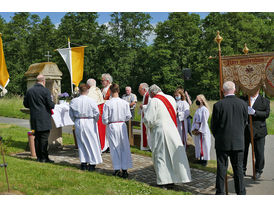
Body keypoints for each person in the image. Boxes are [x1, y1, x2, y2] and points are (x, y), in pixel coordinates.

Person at [143, 84, 191, 187]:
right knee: (172, 155)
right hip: (172, 129)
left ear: (152, 93)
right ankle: (173, 179)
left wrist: (146, 122)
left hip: (160, 130)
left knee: (161, 155)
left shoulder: (154, 100)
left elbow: (149, 119)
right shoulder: (171, 98)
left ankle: (164, 181)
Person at [211, 81, 248, 195]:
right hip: (238, 141)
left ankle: (220, 193)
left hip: (223, 141)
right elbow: (245, 122)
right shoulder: (243, 104)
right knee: (238, 169)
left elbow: (214, 125)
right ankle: (241, 192)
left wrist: (219, 135)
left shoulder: (218, 105)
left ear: (223, 91)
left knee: (222, 168)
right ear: (235, 90)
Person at [69, 84, 102, 171]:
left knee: (81, 142)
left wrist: (76, 120)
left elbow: (71, 114)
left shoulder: (74, 101)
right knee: (92, 142)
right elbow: (96, 113)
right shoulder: (91, 101)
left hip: (79, 121)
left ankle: (83, 162)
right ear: (87, 91)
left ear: (79, 91)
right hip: (89, 121)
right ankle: (92, 163)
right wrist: (94, 120)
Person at [102, 83, 133, 178]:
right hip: (122, 125)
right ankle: (124, 169)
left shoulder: (108, 103)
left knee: (114, 147)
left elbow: (105, 118)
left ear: (110, 91)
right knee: (124, 146)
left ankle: (117, 168)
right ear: (118, 91)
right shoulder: (124, 103)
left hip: (112, 125)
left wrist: (108, 122)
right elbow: (128, 116)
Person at [23, 74, 55, 163]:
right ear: (43, 81)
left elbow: (25, 104)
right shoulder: (45, 91)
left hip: (34, 119)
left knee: (36, 138)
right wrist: (53, 104)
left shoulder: (29, 91)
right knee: (44, 138)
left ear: (36, 81)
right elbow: (50, 105)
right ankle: (44, 158)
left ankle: (39, 157)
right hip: (44, 118)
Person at [243, 89, 270, 179]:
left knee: (259, 153)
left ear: (258, 89)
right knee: (243, 152)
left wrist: (255, 113)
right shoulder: (243, 99)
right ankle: (242, 169)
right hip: (245, 130)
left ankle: (258, 170)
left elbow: (266, 114)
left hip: (259, 131)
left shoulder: (265, 101)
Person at [191, 94, 211, 166]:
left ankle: (204, 160)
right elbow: (194, 120)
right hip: (197, 129)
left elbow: (204, 121)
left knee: (204, 145)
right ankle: (200, 158)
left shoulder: (204, 109)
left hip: (202, 130)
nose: (196, 101)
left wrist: (200, 130)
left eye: (198, 99)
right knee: (198, 144)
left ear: (202, 100)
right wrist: (193, 129)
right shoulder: (198, 110)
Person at [99, 73, 113, 152]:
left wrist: (102, 101)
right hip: (102, 111)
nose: (101, 82)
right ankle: (105, 145)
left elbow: (111, 100)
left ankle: (108, 146)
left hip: (109, 112)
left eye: (102, 81)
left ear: (107, 81)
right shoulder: (102, 89)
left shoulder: (111, 88)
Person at [138, 83, 151, 151]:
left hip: (148, 118)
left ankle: (148, 147)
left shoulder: (149, 96)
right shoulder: (145, 96)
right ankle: (146, 146)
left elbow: (150, 106)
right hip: (144, 117)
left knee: (148, 133)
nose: (139, 91)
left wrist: (143, 106)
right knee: (145, 132)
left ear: (144, 89)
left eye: (140, 90)